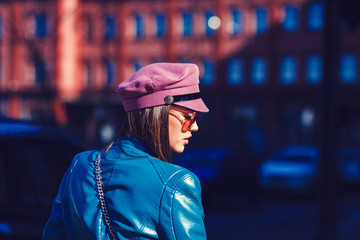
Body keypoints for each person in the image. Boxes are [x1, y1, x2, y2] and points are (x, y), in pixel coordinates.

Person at [43, 63, 209, 239]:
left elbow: (53, 234)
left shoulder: (79, 166)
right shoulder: (177, 183)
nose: (195, 127)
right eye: (189, 116)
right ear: (160, 113)